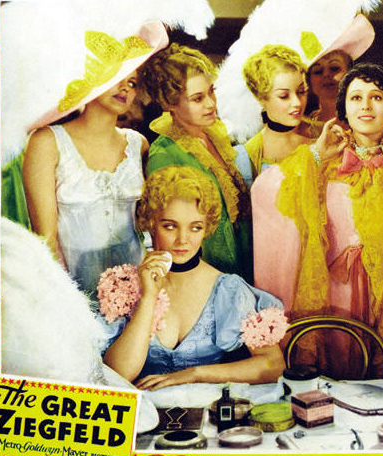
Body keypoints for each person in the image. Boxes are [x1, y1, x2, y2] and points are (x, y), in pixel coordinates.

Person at [255, 63, 383, 378]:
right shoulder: (321, 161)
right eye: (355, 98)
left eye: (376, 97)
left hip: (382, 291)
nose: (366, 106)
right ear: (343, 110)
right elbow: (265, 190)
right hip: (331, 290)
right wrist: (316, 155)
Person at [102, 166, 285, 389]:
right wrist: (148, 297)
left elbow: (273, 364)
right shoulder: (123, 286)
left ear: (206, 229)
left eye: (195, 228)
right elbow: (116, 375)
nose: (183, 240)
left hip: (206, 406)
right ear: (150, 224)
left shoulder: (228, 289)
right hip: (144, 407)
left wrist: (195, 374)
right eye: (170, 226)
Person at [22, 22, 169, 296]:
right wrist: (65, 302)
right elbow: (46, 239)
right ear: (91, 73)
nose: (125, 87)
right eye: (117, 75)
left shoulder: (138, 144)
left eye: (133, 82)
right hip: (75, 291)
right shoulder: (47, 142)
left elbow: (152, 225)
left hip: (138, 287)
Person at [139, 44, 253, 282]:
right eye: (198, 98)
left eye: (211, 92)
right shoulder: (165, 154)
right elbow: (167, 234)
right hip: (205, 272)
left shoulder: (214, 134)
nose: (211, 104)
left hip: (243, 257)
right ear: (170, 103)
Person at [242, 45, 314, 176]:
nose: (297, 103)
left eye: (301, 91)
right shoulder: (249, 156)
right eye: (284, 96)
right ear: (261, 98)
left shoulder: (322, 134)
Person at [305, 49, 353, 123]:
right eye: (318, 71)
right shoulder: (302, 126)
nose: (326, 74)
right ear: (309, 81)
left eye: (334, 68)